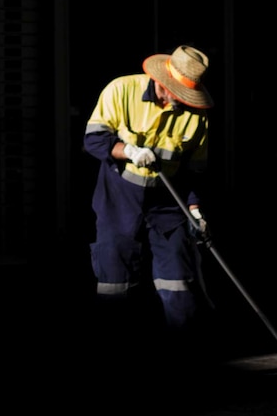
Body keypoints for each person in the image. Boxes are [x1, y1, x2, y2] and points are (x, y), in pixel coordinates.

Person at [82, 45, 215, 363]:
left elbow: (194, 171)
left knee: (178, 280)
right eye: (176, 94)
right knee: (116, 280)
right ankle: (115, 356)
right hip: (119, 196)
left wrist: (195, 210)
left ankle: (181, 359)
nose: (179, 102)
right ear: (161, 81)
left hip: (167, 201)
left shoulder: (197, 116)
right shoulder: (121, 89)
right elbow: (94, 139)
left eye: (186, 97)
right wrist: (128, 151)